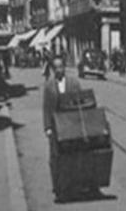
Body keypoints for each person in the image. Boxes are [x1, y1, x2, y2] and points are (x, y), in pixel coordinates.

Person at [42, 55, 83, 197]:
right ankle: (58, 187)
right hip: (55, 126)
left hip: (71, 125)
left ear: (64, 67)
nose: (59, 69)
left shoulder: (74, 83)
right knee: (55, 158)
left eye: (61, 66)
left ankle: (72, 185)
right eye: (56, 67)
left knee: (72, 156)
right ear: (53, 69)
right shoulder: (49, 86)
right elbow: (46, 107)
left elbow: (81, 103)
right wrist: (47, 127)